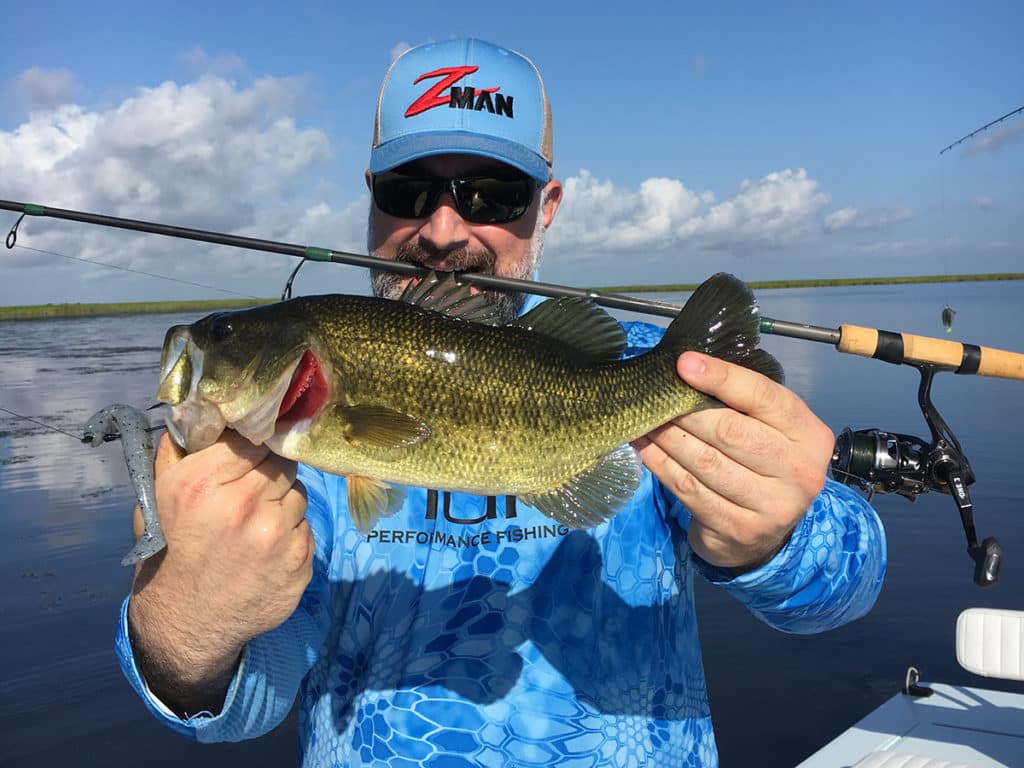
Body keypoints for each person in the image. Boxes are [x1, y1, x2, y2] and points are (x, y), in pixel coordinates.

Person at [116, 38, 886, 767]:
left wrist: (773, 539)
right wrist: (183, 629)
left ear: (546, 205)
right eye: (409, 189)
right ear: (372, 198)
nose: (444, 229)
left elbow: (846, 588)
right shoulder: (270, 451)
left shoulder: (647, 370)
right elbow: (252, 695)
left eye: (492, 193)